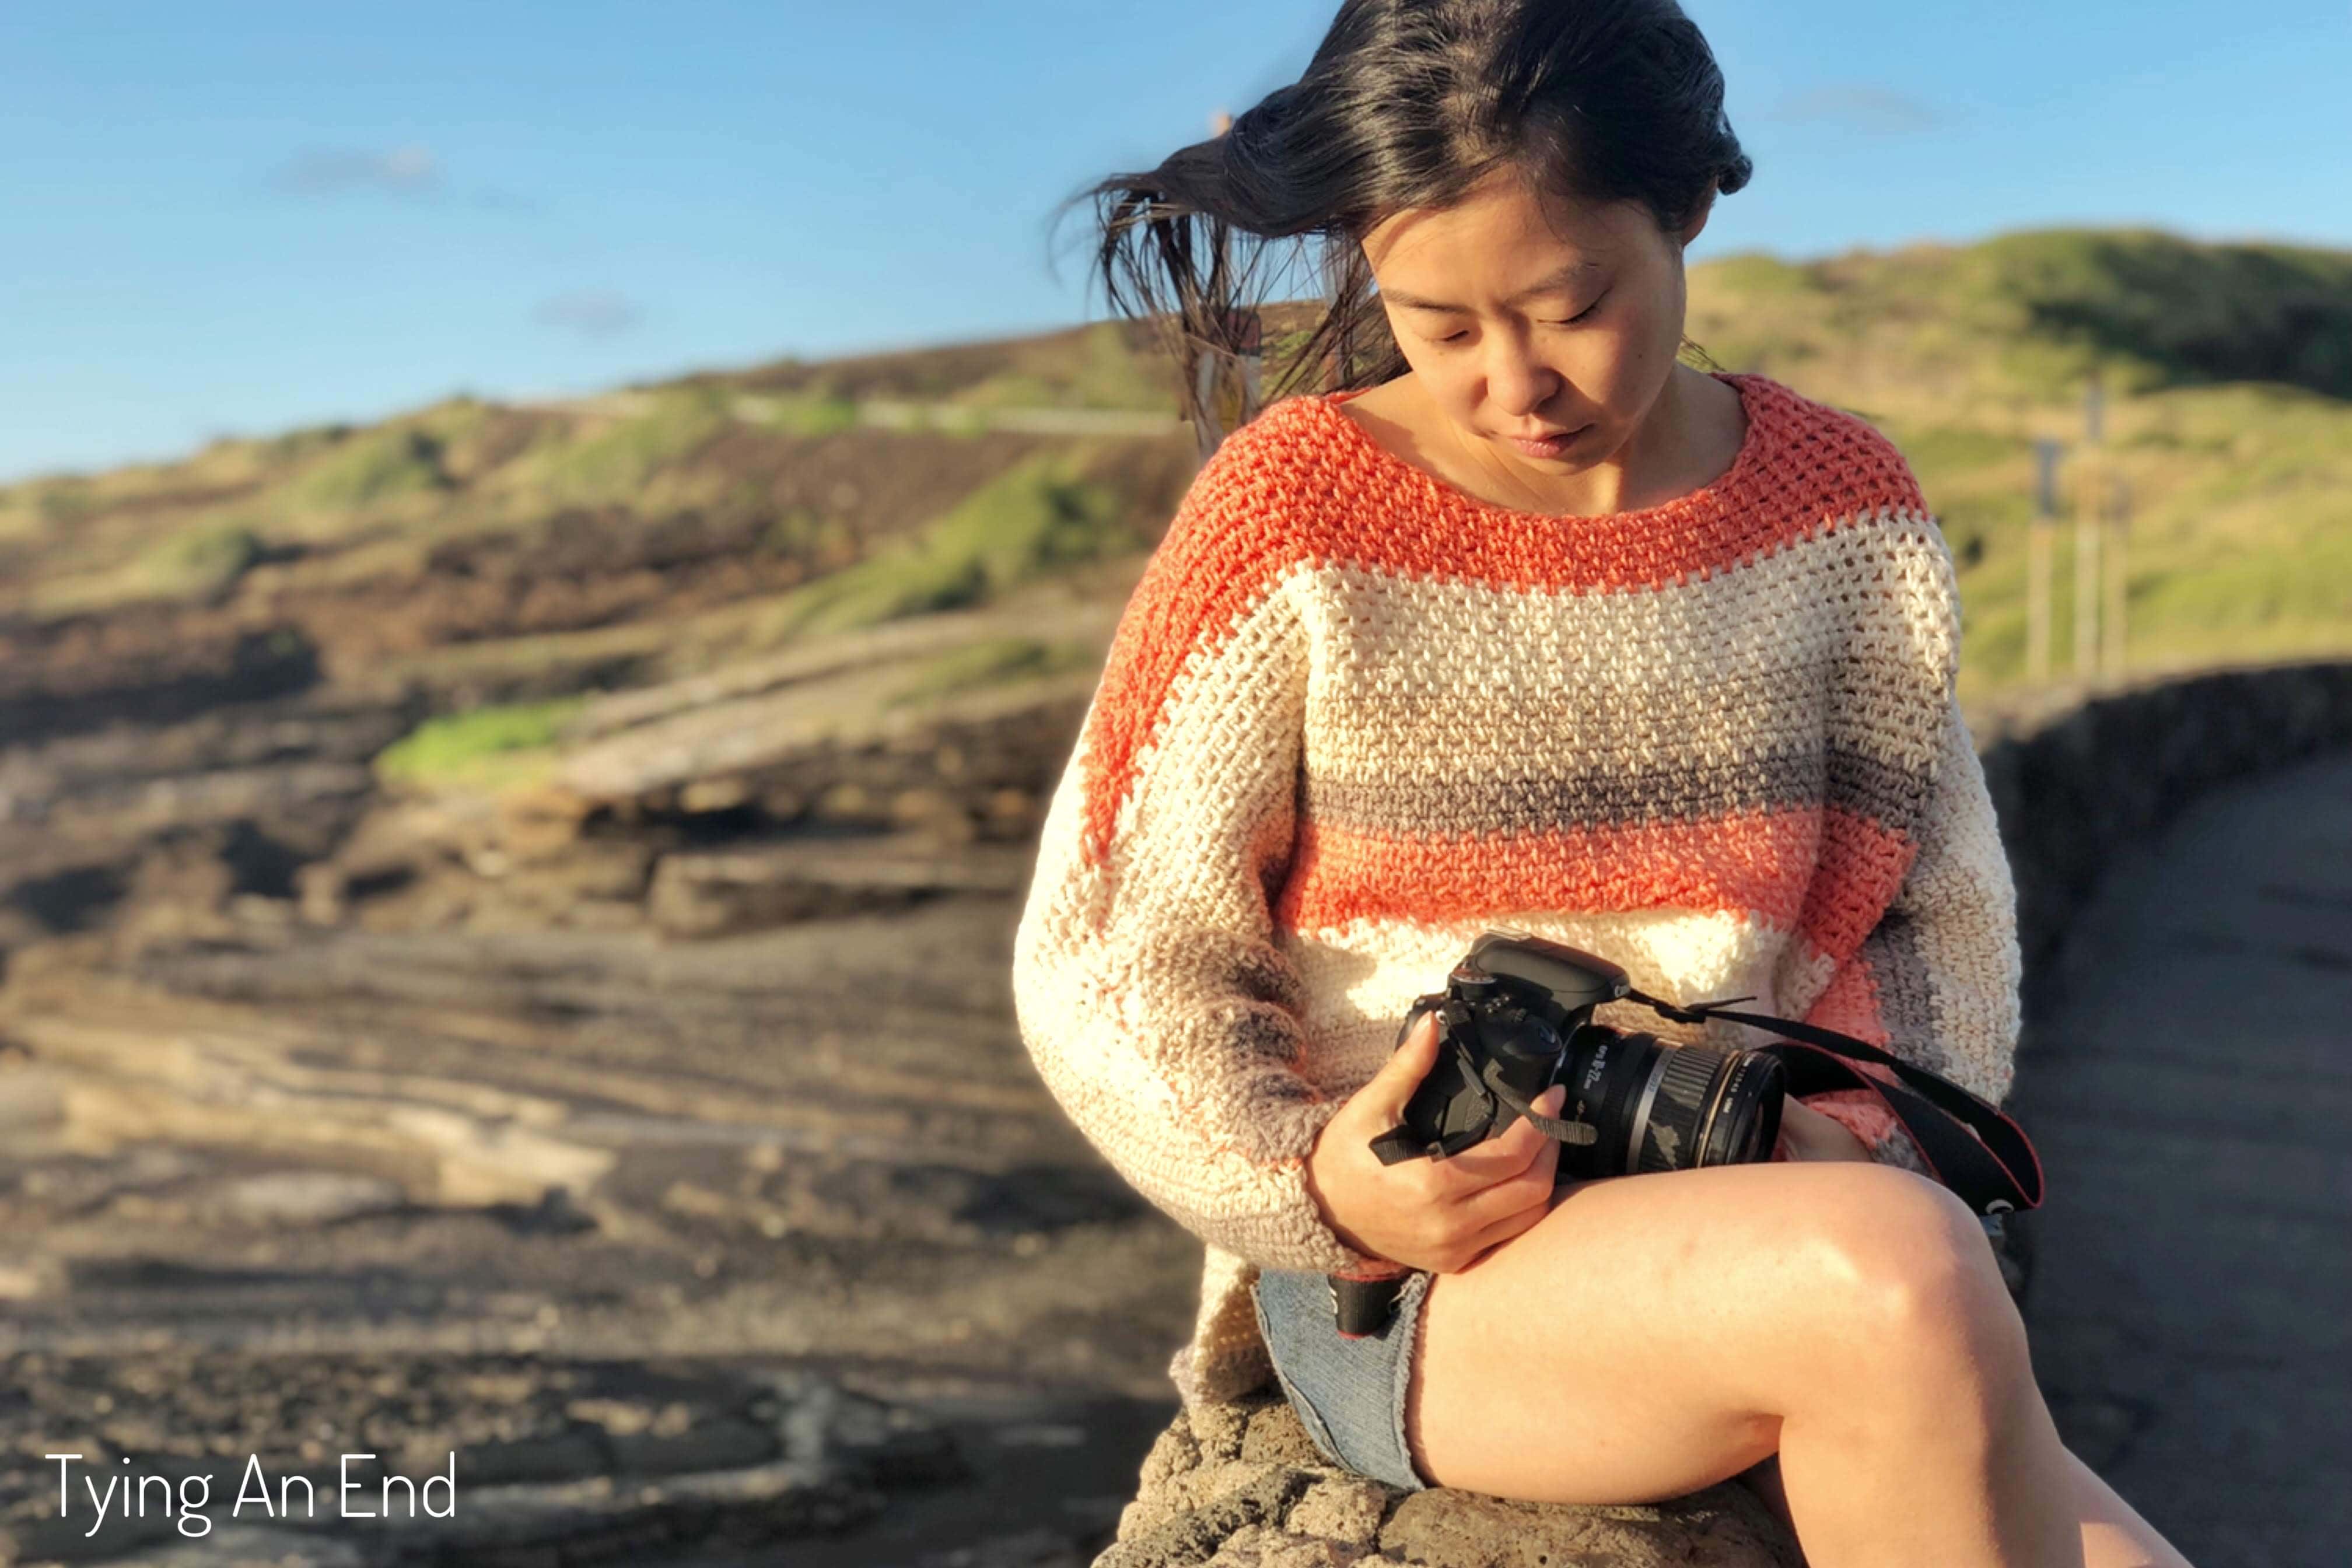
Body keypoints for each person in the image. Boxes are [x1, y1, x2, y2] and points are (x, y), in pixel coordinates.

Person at [1016, 3, 2195, 1564]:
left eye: (1573, 304)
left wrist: (1856, 1136)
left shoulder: (1840, 514)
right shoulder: (1292, 512)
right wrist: (1317, 1181)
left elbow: (1932, 910)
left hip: (1786, 1208)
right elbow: (1112, 948)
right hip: (1429, 1278)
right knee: (1900, 1285)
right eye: (1437, 322)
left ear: (1685, 207)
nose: (1512, 380)